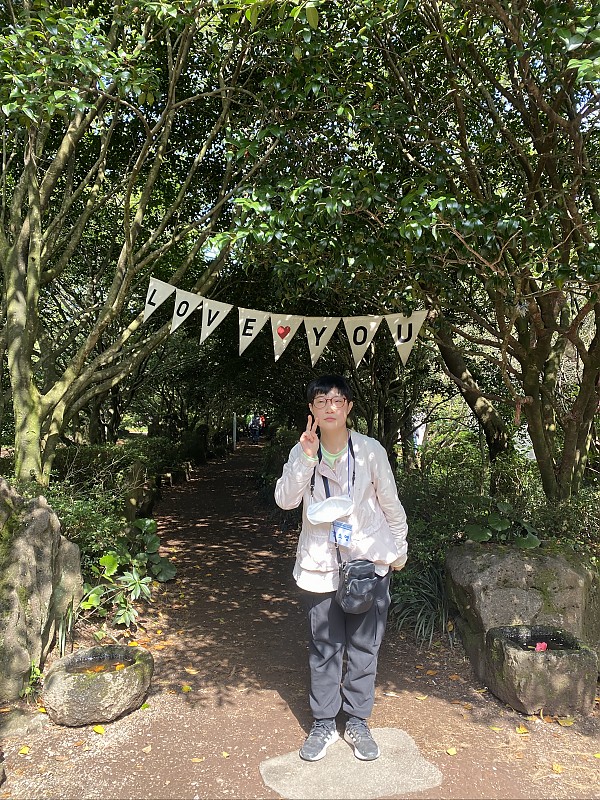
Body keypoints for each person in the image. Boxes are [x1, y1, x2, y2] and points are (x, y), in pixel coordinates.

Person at [275, 374, 408, 763]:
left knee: (365, 646)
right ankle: (323, 723)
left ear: (348, 407)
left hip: (368, 563)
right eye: (321, 401)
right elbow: (285, 500)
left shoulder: (370, 450)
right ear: (312, 410)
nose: (330, 407)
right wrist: (306, 457)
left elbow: (390, 503)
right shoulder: (304, 450)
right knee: (325, 646)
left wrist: (398, 551)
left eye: (337, 401)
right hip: (320, 565)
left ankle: (357, 721)